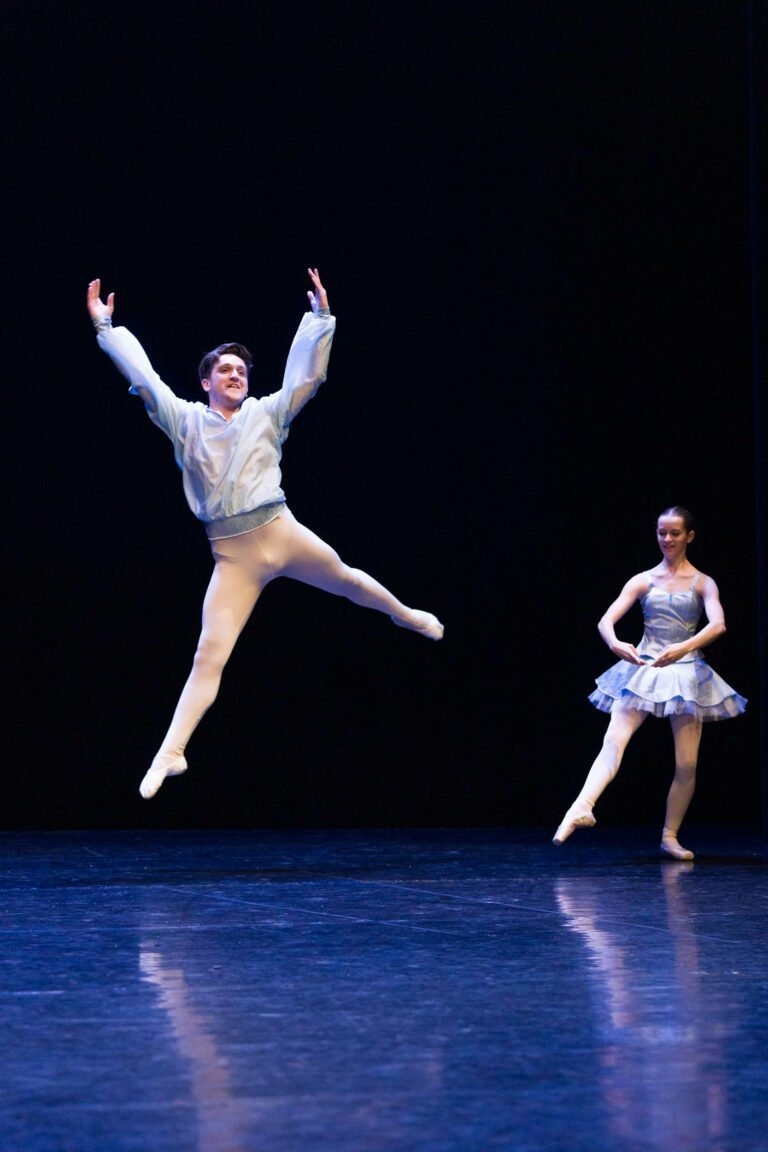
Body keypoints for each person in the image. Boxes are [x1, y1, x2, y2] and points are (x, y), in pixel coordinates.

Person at [87, 270, 443, 800]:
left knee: (346, 579)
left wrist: (320, 319)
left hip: (280, 531)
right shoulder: (183, 420)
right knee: (209, 654)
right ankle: (171, 751)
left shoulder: (267, 413)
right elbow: (145, 378)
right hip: (233, 556)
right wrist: (107, 327)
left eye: (240, 370)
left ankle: (404, 614)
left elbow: (305, 380)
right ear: (205, 381)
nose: (235, 375)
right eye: (224, 370)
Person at [552, 507, 746, 860]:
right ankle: (579, 807)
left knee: (686, 763)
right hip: (643, 667)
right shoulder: (644, 579)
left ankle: (669, 836)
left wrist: (683, 648)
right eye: (661, 532)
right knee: (613, 740)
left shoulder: (703, 582)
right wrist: (615, 643)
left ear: (689, 536)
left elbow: (718, 625)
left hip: (686, 671)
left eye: (674, 533)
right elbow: (606, 620)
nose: (667, 539)